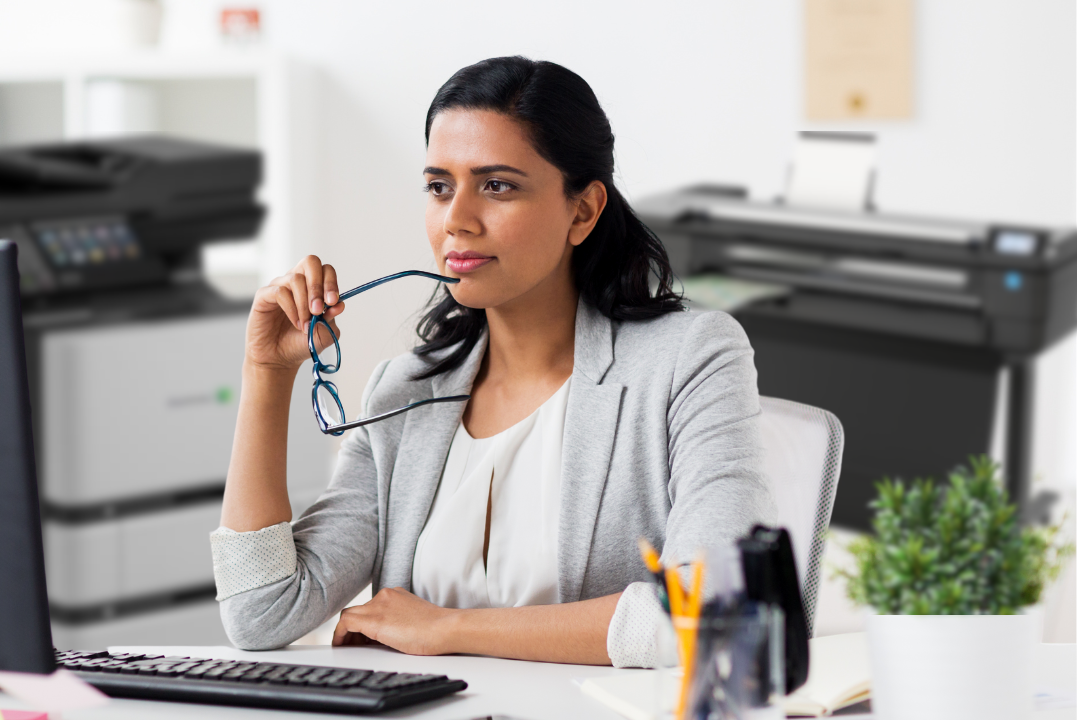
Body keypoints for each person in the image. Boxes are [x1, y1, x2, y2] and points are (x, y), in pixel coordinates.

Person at [210, 56, 775, 668]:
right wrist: (267, 375)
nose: (456, 220)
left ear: (582, 211)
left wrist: (449, 628)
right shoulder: (403, 393)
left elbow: (716, 613)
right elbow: (259, 613)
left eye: (497, 185)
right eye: (439, 187)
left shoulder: (690, 359)